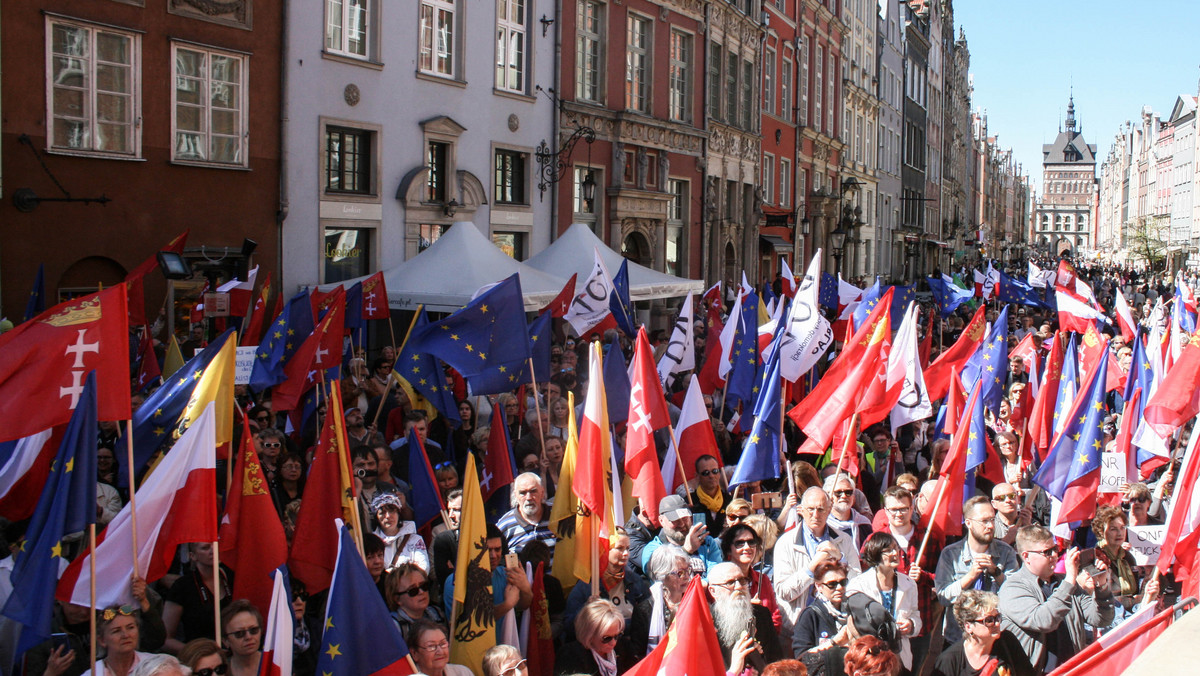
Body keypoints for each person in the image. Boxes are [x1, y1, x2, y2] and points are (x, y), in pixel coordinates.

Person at [998, 525, 1116, 672]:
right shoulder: (1013, 588)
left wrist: (1102, 584)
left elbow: (1101, 619)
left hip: (1072, 669)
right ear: (1026, 556)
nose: (1054, 555)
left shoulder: (1063, 582)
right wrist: (1070, 580)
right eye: (1047, 552)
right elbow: (1043, 620)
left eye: (1055, 549)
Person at [774, 487, 862, 637]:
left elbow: (858, 585)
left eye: (821, 509)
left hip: (839, 626)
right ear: (801, 510)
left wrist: (840, 558)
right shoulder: (786, 543)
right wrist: (810, 569)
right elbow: (783, 592)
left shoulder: (844, 540)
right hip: (799, 628)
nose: (815, 515)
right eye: (811, 509)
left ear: (829, 510)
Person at [935, 496, 1020, 643]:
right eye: (984, 521)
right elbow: (943, 596)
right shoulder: (951, 554)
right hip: (958, 638)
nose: (990, 526)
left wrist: (996, 572)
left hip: (996, 637)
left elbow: (1015, 593)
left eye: (992, 520)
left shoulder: (1006, 553)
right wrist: (970, 576)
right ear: (969, 523)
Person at [563, 529, 650, 654]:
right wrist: (586, 612)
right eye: (619, 548)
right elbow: (569, 627)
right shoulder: (587, 585)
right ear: (604, 550)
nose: (626, 553)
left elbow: (647, 616)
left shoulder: (635, 580)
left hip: (631, 648)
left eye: (628, 548)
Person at [847, 533, 921, 671]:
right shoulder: (858, 586)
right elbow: (852, 622)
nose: (895, 553)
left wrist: (911, 624)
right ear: (876, 554)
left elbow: (915, 614)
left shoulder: (909, 584)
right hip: (869, 657)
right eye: (888, 550)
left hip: (899, 658)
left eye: (896, 548)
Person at [932, 590, 1034, 676]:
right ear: (968, 627)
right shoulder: (949, 661)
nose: (997, 624)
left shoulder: (1007, 641)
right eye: (989, 620)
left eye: (997, 617)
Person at [708, 562, 783, 673]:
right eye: (730, 583)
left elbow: (776, 662)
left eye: (742, 580)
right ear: (713, 591)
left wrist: (759, 657)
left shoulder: (761, 614)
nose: (739, 587)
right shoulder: (706, 623)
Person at [163, 543, 232, 652]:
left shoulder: (230, 576)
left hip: (234, 653)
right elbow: (165, 639)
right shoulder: (182, 586)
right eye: (205, 548)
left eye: (216, 545)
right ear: (192, 556)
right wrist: (197, 652)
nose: (213, 550)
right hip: (200, 657)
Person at [720, 523, 781, 632]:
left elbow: (776, 619)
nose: (747, 547)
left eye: (751, 542)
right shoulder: (720, 580)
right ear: (729, 549)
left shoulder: (764, 580)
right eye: (740, 543)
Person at [641, 495, 722, 574]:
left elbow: (716, 574)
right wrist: (685, 551)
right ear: (661, 520)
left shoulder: (707, 543)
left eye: (685, 518)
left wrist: (703, 583)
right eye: (675, 520)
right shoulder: (653, 550)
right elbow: (661, 574)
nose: (682, 524)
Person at [554, 599, 629, 676]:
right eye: (606, 638)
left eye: (617, 635)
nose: (613, 642)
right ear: (589, 635)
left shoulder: (622, 647)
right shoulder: (570, 656)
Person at [792, 560, 849, 654]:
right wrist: (833, 642)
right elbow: (801, 656)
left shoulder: (854, 610)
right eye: (832, 584)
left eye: (843, 582)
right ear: (818, 586)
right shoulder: (810, 615)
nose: (839, 588)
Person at [496, 473, 557, 560]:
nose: (529, 497)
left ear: (542, 492)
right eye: (523, 493)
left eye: (533, 491)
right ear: (515, 496)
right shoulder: (505, 525)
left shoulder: (557, 515)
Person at [644, 544, 692, 653]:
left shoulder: (692, 602)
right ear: (663, 575)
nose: (686, 577)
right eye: (680, 573)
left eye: (687, 570)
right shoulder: (647, 609)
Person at [82, 606, 152, 676]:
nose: (126, 635)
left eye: (130, 627)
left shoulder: (157, 665)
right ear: (102, 640)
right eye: (116, 631)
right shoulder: (92, 674)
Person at [386, 563, 446, 640]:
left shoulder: (437, 614)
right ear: (397, 599)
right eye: (413, 591)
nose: (421, 592)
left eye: (424, 586)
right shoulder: (392, 627)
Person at [372, 493, 427, 572]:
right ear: (376, 517)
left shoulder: (415, 540)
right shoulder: (371, 543)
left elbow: (423, 568)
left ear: (398, 514)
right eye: (382, 513)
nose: (387, 516)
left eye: (392, 511)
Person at [825, 474, 873, 550]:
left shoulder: (864, 524)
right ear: (828, 495)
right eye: (838, 493)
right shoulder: (822, 525)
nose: (843, 496)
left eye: (848, 492)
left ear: (853, 497)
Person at [690, 455, 732, 539]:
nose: (711, 476)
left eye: (715, 471)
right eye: (706, 473)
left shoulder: (730, 501)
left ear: (719, 474)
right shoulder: (690, 501)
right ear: (697, 476)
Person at [221, 600, 261, 676]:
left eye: (253, 630)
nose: (248, 637)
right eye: (239, 633)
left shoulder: (275, 663)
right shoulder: (220, 671)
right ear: (226, 641)